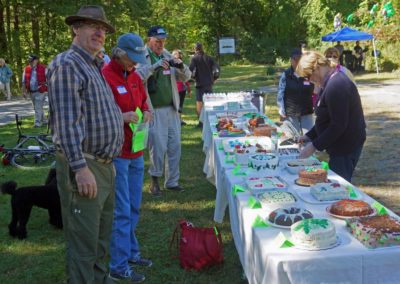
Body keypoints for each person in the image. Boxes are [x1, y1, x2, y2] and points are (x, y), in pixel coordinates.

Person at [47, 5, 124, 283]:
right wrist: (80, 169)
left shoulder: (92, 64)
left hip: (103, 165)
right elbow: (66, 124)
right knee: (84, 242)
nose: (99, 32)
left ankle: (100, 279)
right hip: (84, 164)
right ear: (76, 28)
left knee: (101, 237)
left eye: (102, 28)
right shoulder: (68, 64)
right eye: (92, 26)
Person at [102, 33, 152, 283]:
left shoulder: (134, 76)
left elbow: (143, 102)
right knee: (121, 210)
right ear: (119, 54)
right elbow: (97, 115)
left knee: (133, 206)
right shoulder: (104, 76)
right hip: (118, 154)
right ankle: (118, 266)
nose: (134, 64)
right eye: (131, 59)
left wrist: (146, 111)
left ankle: (131, 252)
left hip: (137, 151)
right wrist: (121, 118)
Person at [135, 25, 191, 197]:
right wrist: (155, 66)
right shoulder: (141, 56)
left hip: (172, 108)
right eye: (157, 41)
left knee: (175, 147)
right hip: (154, 110)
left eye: (163, 40)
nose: (161, 44)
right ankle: (154, 183)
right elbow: (136, 77)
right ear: (149, 40)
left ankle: (172, 182)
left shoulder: (168, 55)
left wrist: (181, 66)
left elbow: (187, 76)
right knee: (157, 147)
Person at [296, 51, 366, 182]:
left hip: (346, 145)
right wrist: (309, 136)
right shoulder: (328, 82)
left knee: (339, 183)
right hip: (339, 143)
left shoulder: (337, 85)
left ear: (316, 67)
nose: (309, 80)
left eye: (308, 76)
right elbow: (324, 118)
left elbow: (338, 124)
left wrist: (313, 146)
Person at [277, 48, 314, 135]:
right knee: (292, 138)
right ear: (291, 60)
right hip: (290, 112)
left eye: (300, 59)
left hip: (307, 110)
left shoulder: (308, 73)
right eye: (295, 59)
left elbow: (316, 90)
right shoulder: (285, 75)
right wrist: (281, 110)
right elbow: (280, 94)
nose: (298, 61)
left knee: (309, 137)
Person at [189, 42, 218, 128]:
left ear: (195, 49)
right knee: (209, 102)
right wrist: (214, 78)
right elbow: (217, 70)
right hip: (209, 83)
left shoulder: (194, 59)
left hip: (199, 84)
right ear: (202, 48)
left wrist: (193, 78)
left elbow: (190, 70)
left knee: (199, 103)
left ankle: (201, 123)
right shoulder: (209, 58)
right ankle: (211, 120)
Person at [22, 54, 47, 127]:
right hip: (31, 92)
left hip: (40, 91)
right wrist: (24, 92)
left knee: (37, 107)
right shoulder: (26, 69)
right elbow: (23, 81)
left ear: (36, 61)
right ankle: (45, 121)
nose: (30, 63)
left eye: (32, 61)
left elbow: (49, 79)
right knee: (37, 107)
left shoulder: (43, 68)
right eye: (29, 61)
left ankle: (37, 123)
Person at [172, 49, 191, 126]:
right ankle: (177, 120)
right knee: (176, 105)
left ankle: (179, 120)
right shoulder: (171, 66)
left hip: (182, 88)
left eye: (179, 56)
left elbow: (186, 79)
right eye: (176, 56)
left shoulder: (182, 66)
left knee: (180, 105)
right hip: (175, 89)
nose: (178, 58)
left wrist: (189, 89)